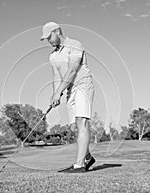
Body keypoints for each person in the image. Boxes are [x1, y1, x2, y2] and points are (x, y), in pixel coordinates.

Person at [40, 22, 96, 173]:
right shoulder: (53, 56)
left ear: (57, 31)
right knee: (74, 127)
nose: (48, 41)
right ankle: (88, 157)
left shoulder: (75, 45)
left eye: (49, 36)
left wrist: (59, 91)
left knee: (81, 122)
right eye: (46, 39)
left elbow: (72, 70)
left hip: (83, 85)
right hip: (70, 89)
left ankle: (79, 165)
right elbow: (57, 76)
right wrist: (55, 94)